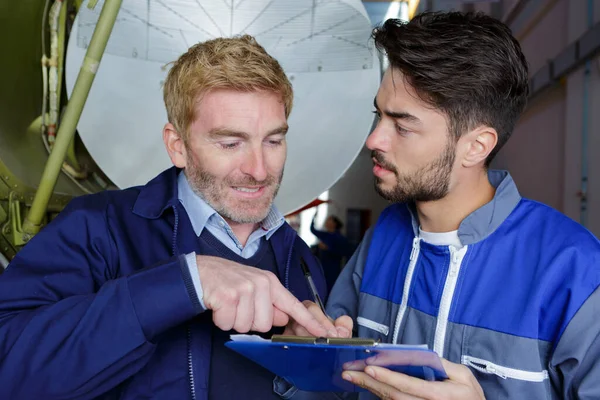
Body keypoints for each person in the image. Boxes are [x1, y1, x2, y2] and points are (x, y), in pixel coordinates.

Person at [0, 35, 341, 399]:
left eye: (273, 141)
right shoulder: (97, 227)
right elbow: (10, 368)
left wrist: (307, 368)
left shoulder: (300, 258)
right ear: (177, 146)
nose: (258, 170)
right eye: (230, 144)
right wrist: (187, 282)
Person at [285, 11, 600, 400]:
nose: (375, 140)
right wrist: (299, 359)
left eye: (402, 125)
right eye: (378, 115)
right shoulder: (381, 239)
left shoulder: (576, 271)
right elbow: (332, 384)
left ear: (476, 146)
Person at [310, 213, 352, 292]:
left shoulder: (340, 238)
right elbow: (313, 230)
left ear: (334, 223)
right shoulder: (325, 235)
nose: (326, 221)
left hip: (333, 268)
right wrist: (314, 217)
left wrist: (327, 248)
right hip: (323, 266)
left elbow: (344, 252)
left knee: (330, 289)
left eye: (329, 219)